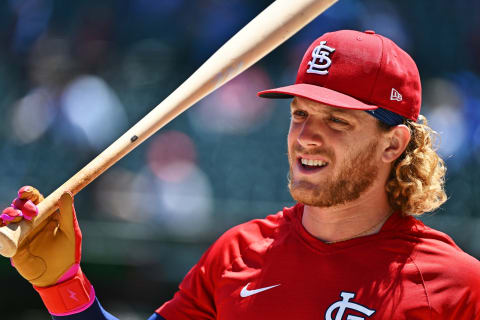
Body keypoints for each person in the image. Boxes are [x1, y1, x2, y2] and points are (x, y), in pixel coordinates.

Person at [2, 29, 480, 320]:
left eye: (337, 120)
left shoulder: (456, 286)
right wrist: (62, 285)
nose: (307, 137)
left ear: (392, 144)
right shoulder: (237, 253)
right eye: (299, 114)